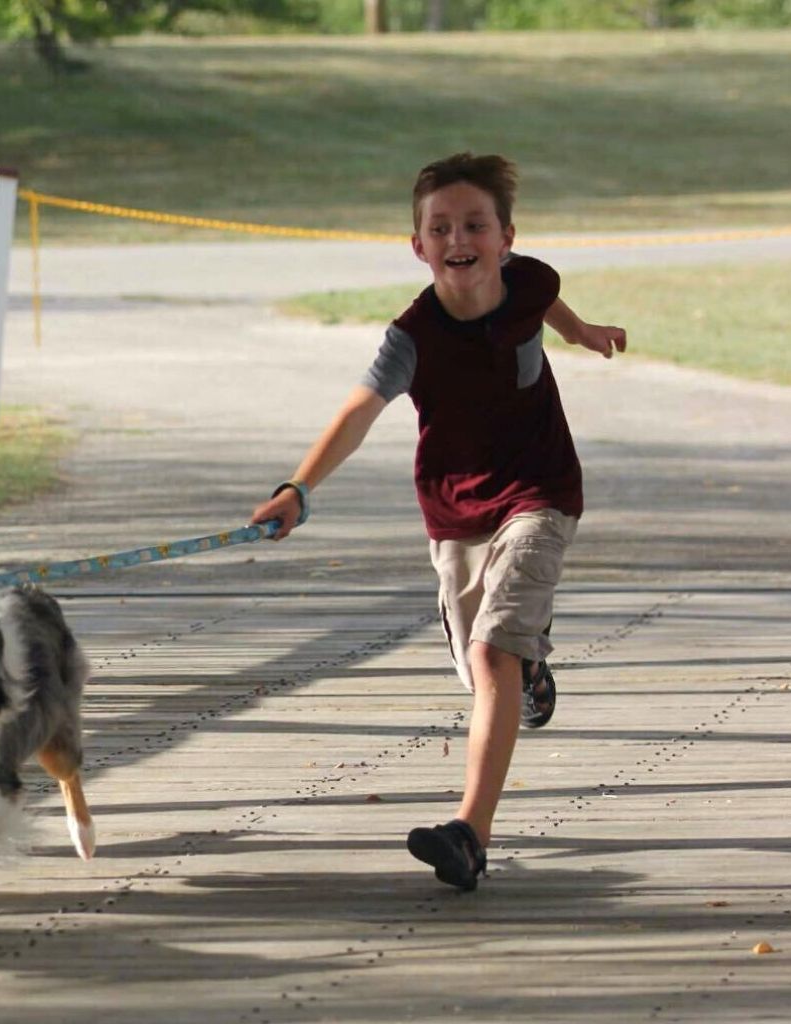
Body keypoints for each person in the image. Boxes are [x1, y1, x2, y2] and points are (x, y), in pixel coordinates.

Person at [251, 153, 627, 891]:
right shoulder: (412, 337)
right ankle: (529, 664)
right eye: (441, 227)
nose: (460, 238)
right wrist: (298, 486)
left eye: (475, 225)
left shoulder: (532, 282)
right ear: (418, 247)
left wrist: (579, 332)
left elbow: (545, 303)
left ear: (506, 237)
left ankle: (470, 834)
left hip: (540, 492)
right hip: (454, 513)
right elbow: (358, 411)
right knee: (481, 666)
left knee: (492, 656)